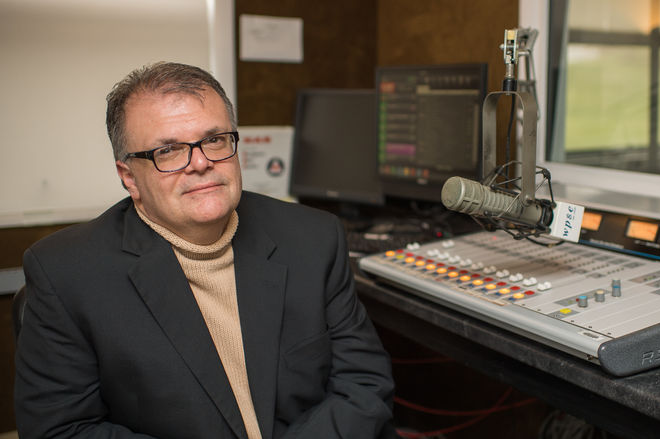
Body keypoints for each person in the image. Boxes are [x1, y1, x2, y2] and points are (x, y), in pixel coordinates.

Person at [15, 62, 396, 438]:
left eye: (214, 140)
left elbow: (363, 384)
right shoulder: (65, 272)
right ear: (129, 177)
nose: (200, 163)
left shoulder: (313, 237)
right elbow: (62, 429)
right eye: (168, 150)